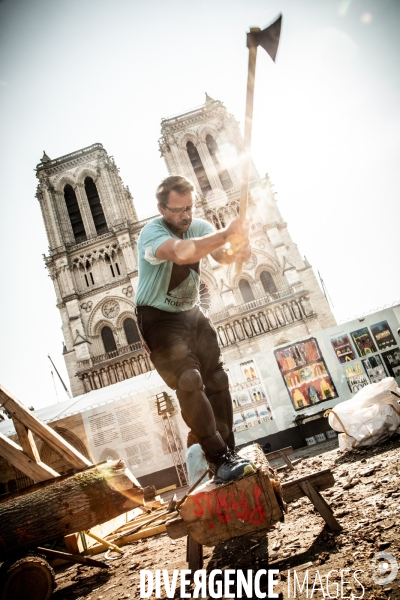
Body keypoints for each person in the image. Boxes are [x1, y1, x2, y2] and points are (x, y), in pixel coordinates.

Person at [135, 175, 256, 483]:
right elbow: (182, 253)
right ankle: (217, 457)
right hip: (157, 317)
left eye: (189, 208)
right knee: (189, 380)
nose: (185, 216)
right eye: (177, 210)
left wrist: (238, 250)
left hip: (190, 312)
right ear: (162, 209)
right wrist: (227, 232)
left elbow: (220, 255)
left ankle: (229, 455)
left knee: (217, 378)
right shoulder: (152, 233)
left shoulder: (198, 226)